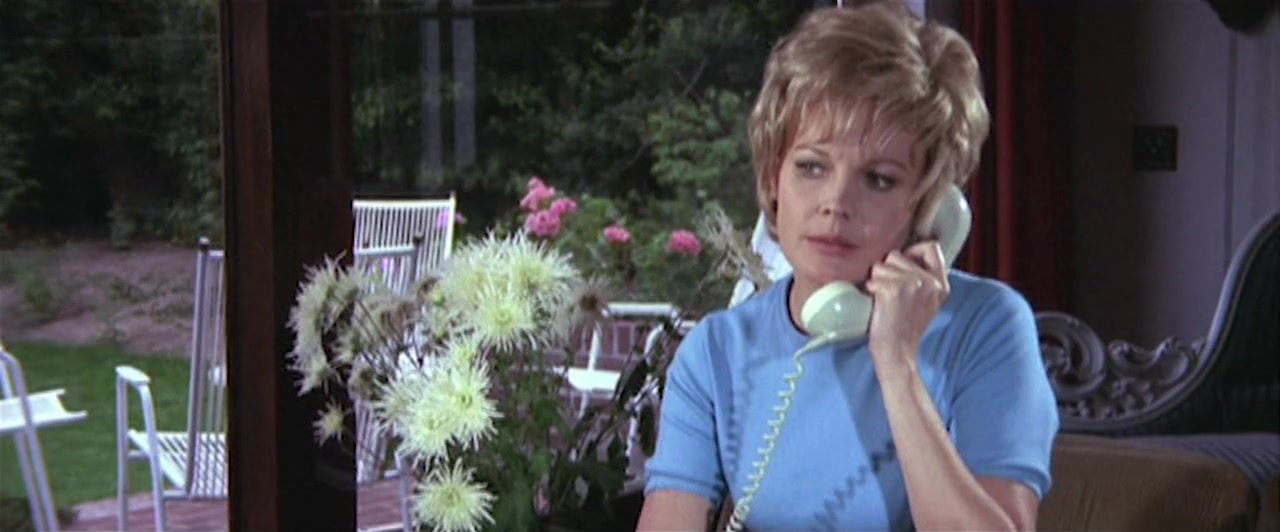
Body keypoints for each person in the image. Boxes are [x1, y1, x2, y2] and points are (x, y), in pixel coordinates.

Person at [636, 1, 1059, 531]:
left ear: (930, 207)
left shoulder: (987, 326)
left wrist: (897, 363)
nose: (836, 203)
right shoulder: (716, 352)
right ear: (773, 179)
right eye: (812, 167)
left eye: (879, 179)